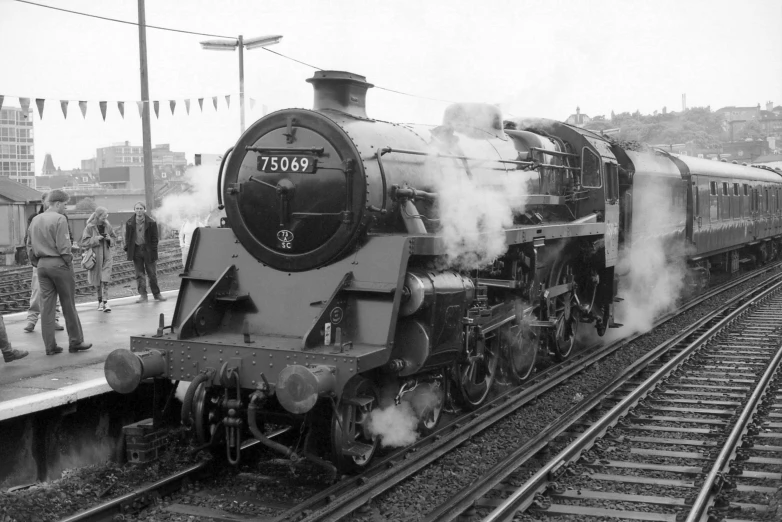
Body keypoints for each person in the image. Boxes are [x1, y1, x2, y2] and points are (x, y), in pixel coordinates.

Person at [26, 189, 92, 355]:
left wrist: (37, 262)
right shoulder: (60, 219)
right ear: (56, 203)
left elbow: (29, 245)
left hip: (41, 266)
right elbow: (64, 246)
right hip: (59, 264)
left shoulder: (35, 219)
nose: (65, 208)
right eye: (64, 204)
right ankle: (76, 341)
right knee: (68, 304)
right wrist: (68, 261)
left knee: (47, 307)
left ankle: (50, 346)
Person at [23, 192, 65, 333]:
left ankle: (54, 319)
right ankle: (32, 319)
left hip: (48, 261)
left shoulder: (61, 217)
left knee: (54, 292)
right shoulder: (34, 218)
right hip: (44, 261)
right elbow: (28, 240)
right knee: (37, 291)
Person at [125, 201, 166, 303]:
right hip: (136, 250)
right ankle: (143, 295)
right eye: (137, 208)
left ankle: (157, 294)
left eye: (141, 208)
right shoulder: (129, 222)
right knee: (139, 274)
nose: (139, 211)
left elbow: (155, 238)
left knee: (152, 274)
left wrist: (153, 250)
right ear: (134, 210)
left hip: (148, 250)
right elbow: (127, 237)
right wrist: (127, 247)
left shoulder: (151, 222)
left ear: (144, 210)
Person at [80, 207, 117, 312]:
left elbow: (115, 238)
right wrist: (96, 239)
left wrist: (109, 239)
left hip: (107, 256)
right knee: (97, 281)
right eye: (104, 215)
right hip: (95, 258)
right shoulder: (90, 227)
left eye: (106, 215)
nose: (106, 217)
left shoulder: (107, 226)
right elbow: (84, 242)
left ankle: (105, 302)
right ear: (98, 216)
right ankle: (100, 301)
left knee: (105, 280)